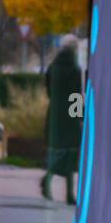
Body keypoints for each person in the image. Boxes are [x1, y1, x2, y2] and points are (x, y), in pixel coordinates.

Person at [42, 34, 84, 204]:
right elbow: (76, 94)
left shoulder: (52, 67)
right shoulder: (75, 68)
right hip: (69, 116)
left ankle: (48, 179)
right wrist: (78, 116)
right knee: (71, 152)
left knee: (56, 150)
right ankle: (68, 194)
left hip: (54, 114)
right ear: (74, 49)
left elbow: (48, 91)